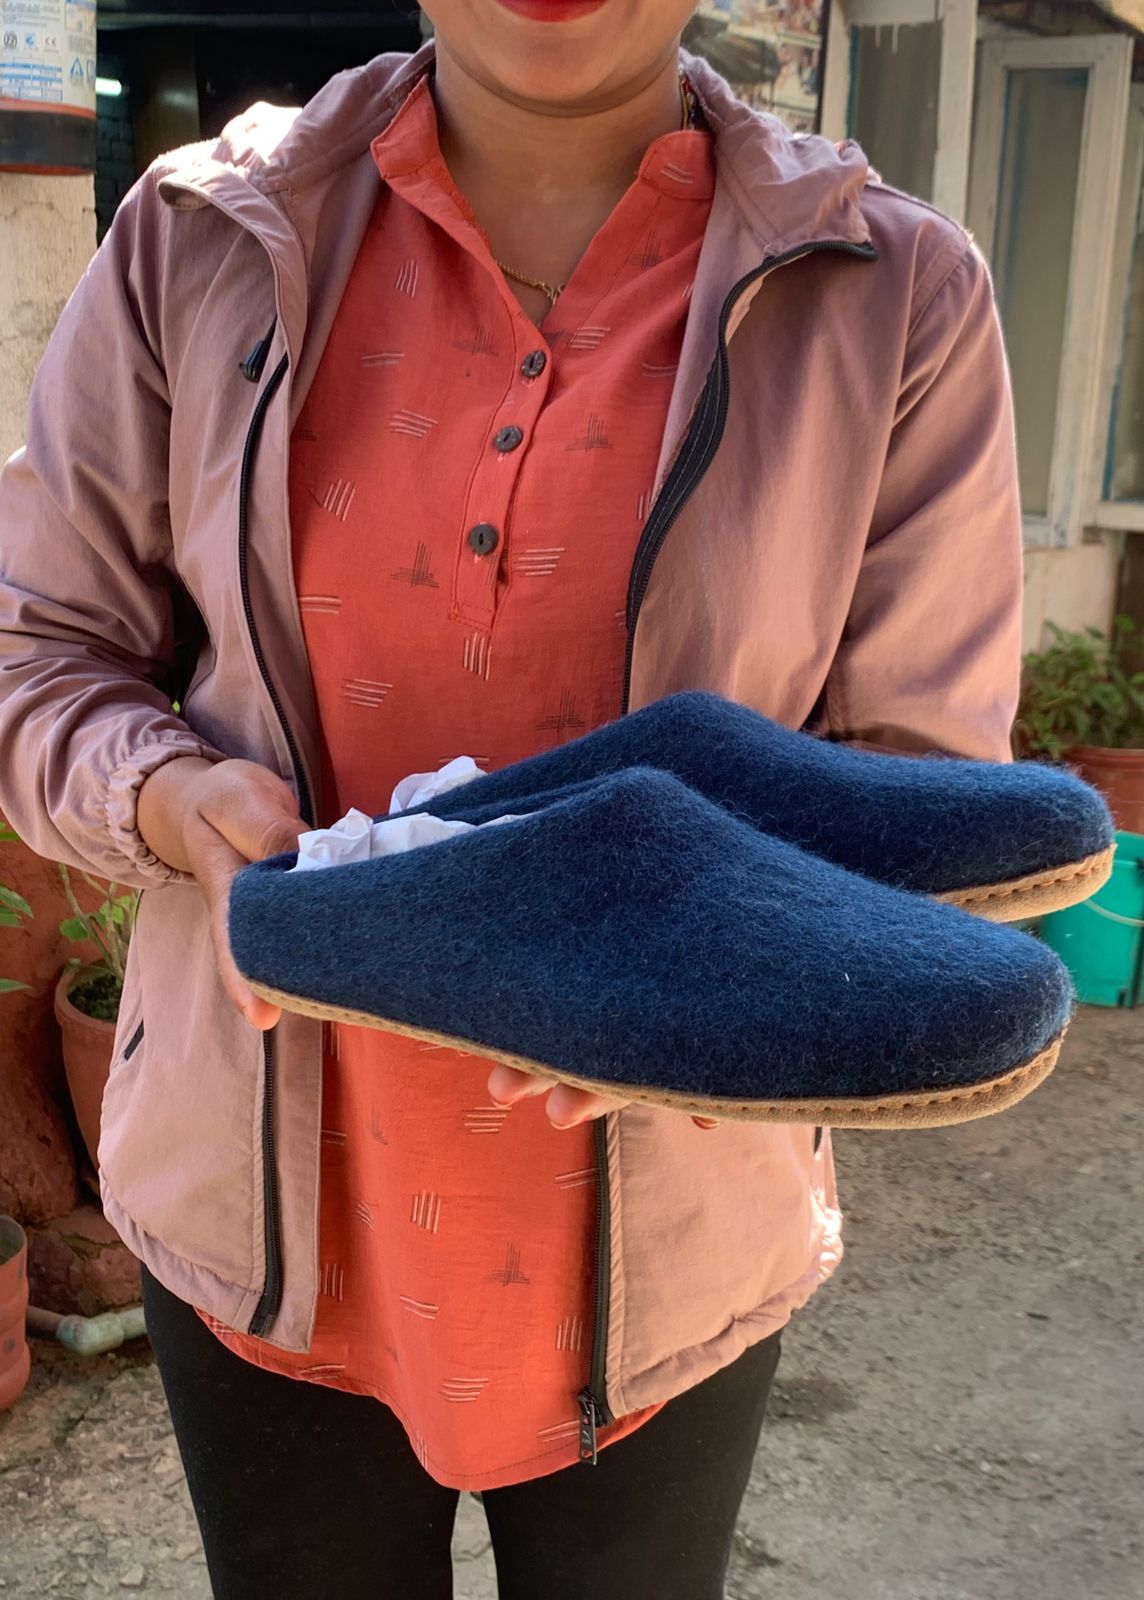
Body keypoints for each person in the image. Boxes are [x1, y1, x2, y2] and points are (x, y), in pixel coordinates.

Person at [0, 4, 1024, 1596]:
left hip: (673, 1233)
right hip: (261, 1202)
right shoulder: (193, 240)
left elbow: (921, 788)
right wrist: (167, 795)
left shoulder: (896, 292)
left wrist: (725, 989)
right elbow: (38, 649)